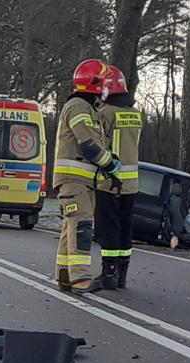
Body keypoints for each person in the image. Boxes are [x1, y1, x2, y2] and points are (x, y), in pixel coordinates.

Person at [51, 58, 122, 293]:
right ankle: (80, 279)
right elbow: (88, 144)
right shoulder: (79, 107)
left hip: (81, 181)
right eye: (103, 84)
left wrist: (109, 161)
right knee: (81, 226)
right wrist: (110, 164)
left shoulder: (88, 108)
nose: (106, 89)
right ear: (94, 84)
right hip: (75, 180)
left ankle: (64, 275)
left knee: (70, 227)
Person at [94, 69, 144, 289]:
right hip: (131, 183)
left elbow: (99, 145)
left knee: (109, 227)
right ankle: (122, 273)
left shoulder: (105, 113)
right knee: (126, 226)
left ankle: (108, 272)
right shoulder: (136, 114)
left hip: (110, 180)